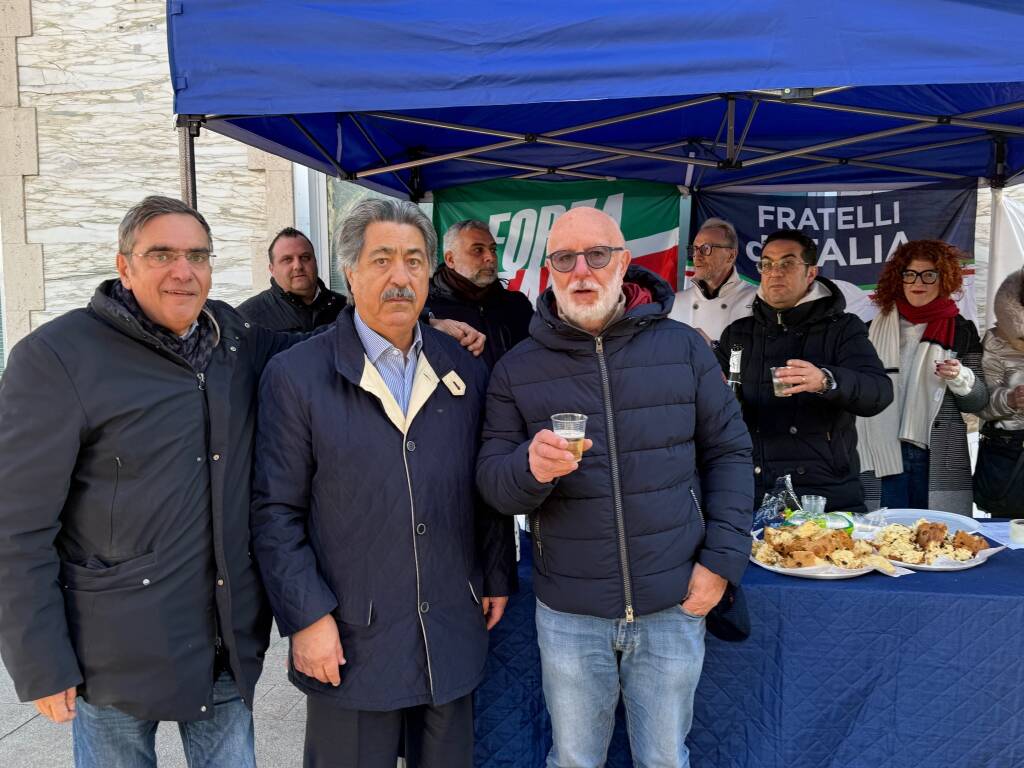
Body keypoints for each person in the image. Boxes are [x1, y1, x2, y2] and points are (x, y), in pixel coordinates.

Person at [0, 196, 303, 767]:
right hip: (112, 650)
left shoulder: (232, 336)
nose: (183, 271)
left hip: (223, 640)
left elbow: (311, 352)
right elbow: (16, 527)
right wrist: (40, 661)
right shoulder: (57, 358)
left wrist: (422, 325)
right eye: (161, 254)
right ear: (124, 265)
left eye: (197, 256)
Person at [476, 206, 753, 768]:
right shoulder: (516, 369)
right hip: (571, 612)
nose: (581, 271)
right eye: (564, 259)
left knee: (664, 760)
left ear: (624, 263)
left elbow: (730, 453)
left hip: (672, 601)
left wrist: (721, 563)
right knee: (575, 761)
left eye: (597, 256)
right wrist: (530, 470)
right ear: (548, 271)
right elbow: (493, 484)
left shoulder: (684, 349)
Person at [251, 198, 516, 768]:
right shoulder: (297, 376)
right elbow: (274, 512)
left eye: (414, 261)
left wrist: (496, 572)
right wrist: (306, 618)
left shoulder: (464, 366)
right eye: (382, 260)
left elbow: (482, 484)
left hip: (448, 629)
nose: (401, 277)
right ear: (350, 272)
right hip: (350, 639)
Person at [718, 228, 892, 513]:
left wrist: (826, 380)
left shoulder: (843, 328)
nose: (775, 272)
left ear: (811, 273)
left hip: (824, 492)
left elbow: (879, 392)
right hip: (752, 489)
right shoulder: (737, 334)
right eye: (767, 264)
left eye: (787, 263)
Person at [856, 240, 988, 514]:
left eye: (929, 275)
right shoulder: (867, 331)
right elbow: (856, 393)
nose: (918, 282)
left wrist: (960, 377)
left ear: (944, 279)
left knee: (938, 535)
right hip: (881, 454)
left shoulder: (962, 330)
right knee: (882, 535)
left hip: (937, 457)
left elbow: (978, 402)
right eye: (910, 274)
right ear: (899, 279)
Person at [427, 219, 534, 368]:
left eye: (493, 249)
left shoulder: (517, 305)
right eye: (478, 250)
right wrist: (428, 323)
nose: (490, 257)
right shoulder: (424, 307)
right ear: (450, 260)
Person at [975, 268, 1024, 515]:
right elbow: (981, 403)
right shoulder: (996, 340)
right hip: (1011, 457)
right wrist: (1011, 399)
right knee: (1009, 534)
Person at [237, 226, 346, 332]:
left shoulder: (346, 309)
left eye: (305, 257)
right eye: (287, 259)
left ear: (315, 262)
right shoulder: (246, 319)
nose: (298, 266)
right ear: (272, 269)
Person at [668, 217, 755, 342]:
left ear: (731, 255)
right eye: (694, 249)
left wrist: (713, 347)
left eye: (706, 248)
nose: (697, 257)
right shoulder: (676, 302)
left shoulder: (755, 300)